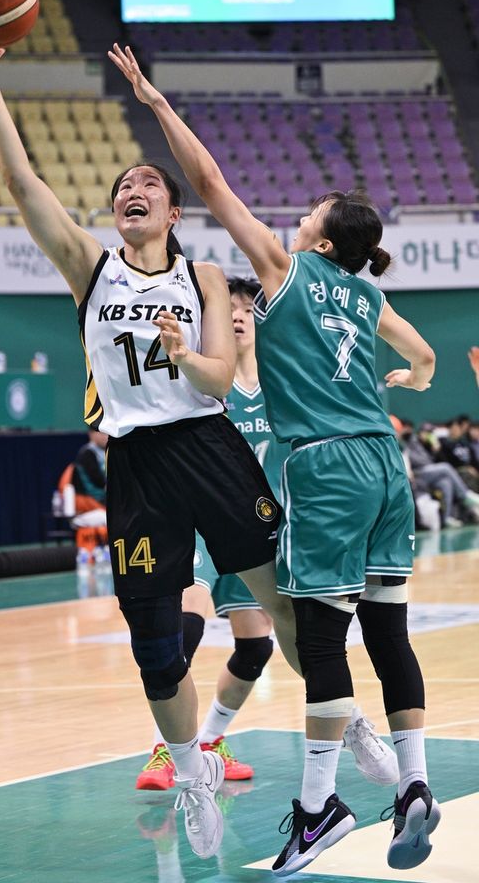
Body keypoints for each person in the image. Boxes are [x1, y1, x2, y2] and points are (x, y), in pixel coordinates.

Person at [0, 18, 291, 861]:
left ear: (172, 209)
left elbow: (219, 369)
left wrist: (196, 356)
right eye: (122, 184)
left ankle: (348, 729)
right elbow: (21, 182)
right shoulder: (89, 269)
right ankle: (190, 771)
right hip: (134, 461)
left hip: (209, 443)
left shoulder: (202, 275)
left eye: (148, 181)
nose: (131, 187)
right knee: (154, 645)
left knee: (281, 603)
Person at [109, 43, 441, 875]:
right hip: (385, 468)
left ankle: (318, 807)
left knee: (321, 643)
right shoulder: (369, 293)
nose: (302, 212)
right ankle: (412, 783)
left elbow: (212, 180)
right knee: (389, 634)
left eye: (314, 208)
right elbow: (426, 358)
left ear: (325, 235)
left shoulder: (287, 271)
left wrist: (156, 103)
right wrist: (414, 374)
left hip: (325, 468)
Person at [136, 278, 399, 793]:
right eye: (227, 308)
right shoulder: (207, 380)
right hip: (201, 527)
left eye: (247, 308)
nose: (237, 315)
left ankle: (330, 722)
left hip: (262, 528)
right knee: (180, 629)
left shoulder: (286, 383)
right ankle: (166, 748)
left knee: (263, 647)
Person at [403, 420, 479, 526]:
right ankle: (465, 494)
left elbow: (436, 460)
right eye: (426, 432)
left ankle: (446, 518)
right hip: (418, 475)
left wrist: (436, 451)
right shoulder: (413, 442)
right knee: (445, 467)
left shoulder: (430, 445)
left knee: (446, 482)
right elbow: (418, 462)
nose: (428, 435)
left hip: (429, 475)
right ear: (420, 433)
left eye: (430, 433)